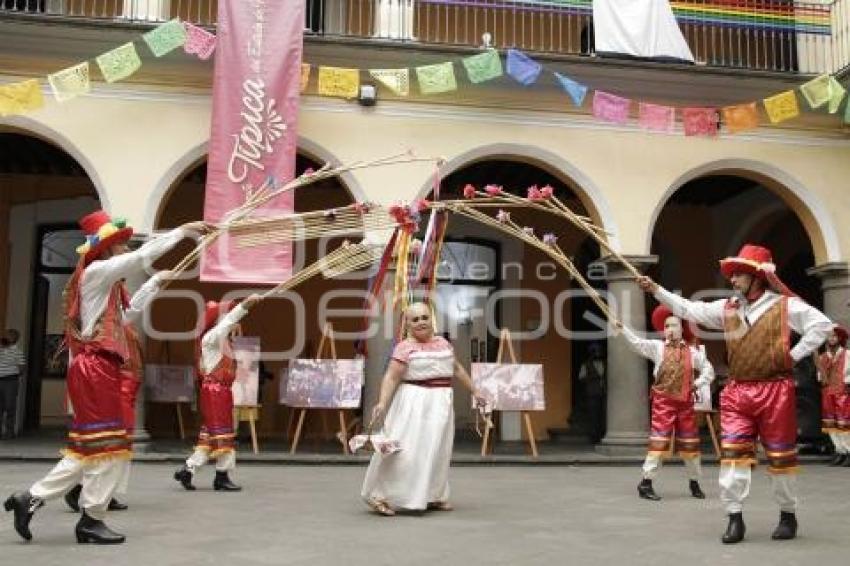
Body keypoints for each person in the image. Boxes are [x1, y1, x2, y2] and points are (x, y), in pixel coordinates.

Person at [4, 211, 209, 544]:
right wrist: (181, 232)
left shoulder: (105, 286)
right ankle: (91, 518)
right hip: (95, 368)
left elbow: (128, 317)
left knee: (91, 448)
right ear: (108, 248)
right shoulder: (97, 272)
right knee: (110, 445)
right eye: (121, 243)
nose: (127, 248)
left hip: (96, 369)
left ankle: (31, 498)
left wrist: (155, 283)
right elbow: (143, 256)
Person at [637, 243, 832, 543]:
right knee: (733, 457)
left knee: (780, 458)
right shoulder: (727, 307)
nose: (732, 280)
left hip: (775, 391)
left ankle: (787, 515)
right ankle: (734, 517)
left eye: (738, 274)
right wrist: (655, 290)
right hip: (738, 391)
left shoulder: (784, 306)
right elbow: (691, 309)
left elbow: (821, 325)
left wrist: (792, 356)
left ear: (757, 277)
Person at [64, 271, 175, 513]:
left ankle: (102, 491)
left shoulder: (118, 321)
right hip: (115, 389)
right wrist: (155, 283)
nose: (122, 293)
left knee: (119, 445)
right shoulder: (101, 318)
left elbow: (132, 307)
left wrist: (156, 284)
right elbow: (133, 307)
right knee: (110, 444)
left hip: (126, 390)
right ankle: (80, 489)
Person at [361, 302, 485, 516]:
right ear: (407, 323)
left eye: (425, 317)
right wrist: (382, 402)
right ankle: (379, 495)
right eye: (415, 319)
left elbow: (456, 368)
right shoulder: (404, 347)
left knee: (437, 450)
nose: (421, 322)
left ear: (432, 319)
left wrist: (476, 391)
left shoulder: (443, 343)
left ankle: (433, 495)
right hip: (413, 403)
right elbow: (391, 377)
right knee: (404, 453)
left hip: (441, 404)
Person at [615, 306, 714, 501]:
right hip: (663, 403)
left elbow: (708, 371)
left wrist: (697, 384)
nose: (670, 329)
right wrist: (623, 329)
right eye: (667, 325)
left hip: (685, 404)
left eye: (674, 325)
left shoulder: (693, 352)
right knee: (658, 444)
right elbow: (636, 343)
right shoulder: (657, 347)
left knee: (690, 446)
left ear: (682, 328)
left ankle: (694, 482)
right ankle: (646, 483)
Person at [173, 295, 261, 492]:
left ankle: (188, 469)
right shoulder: (211, 338)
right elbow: (228, 323)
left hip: (218, 391)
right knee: (224, 432)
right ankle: (222, 475)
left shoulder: (221, 341)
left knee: (210, 434)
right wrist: (245, 306)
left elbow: (230, 325)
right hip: (215, 391)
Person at [817, 325, 850, 467]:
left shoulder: (847, 354)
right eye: (830, 336)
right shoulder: (822, 357)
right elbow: (820, 377)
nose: (832, 339)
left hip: (842, 392)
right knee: (830, 424)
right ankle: (839, 451)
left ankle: (848, 452)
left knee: (843, 424)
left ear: (840, 338)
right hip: (827, 392)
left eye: (834, 336)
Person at [578, 342, 606, 444]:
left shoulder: (605, 363)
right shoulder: (586, 364)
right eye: (596, 351)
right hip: (592, 393)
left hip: (604, 393)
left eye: (599, 351)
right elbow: (581, 378)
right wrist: (594, 377)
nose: (598, 353)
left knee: (603, 416)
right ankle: (594, 437)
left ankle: (603, 434)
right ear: (592, 352)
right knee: (593, 416)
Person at [0, 328, 26, 439]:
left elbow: (22, 368)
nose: (6, 337)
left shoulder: (18, 351)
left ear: (15, 338)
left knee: (9, 406)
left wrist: (12, 374)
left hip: (10, 381)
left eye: (9, 335)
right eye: (6, 335)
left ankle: (9, 432)